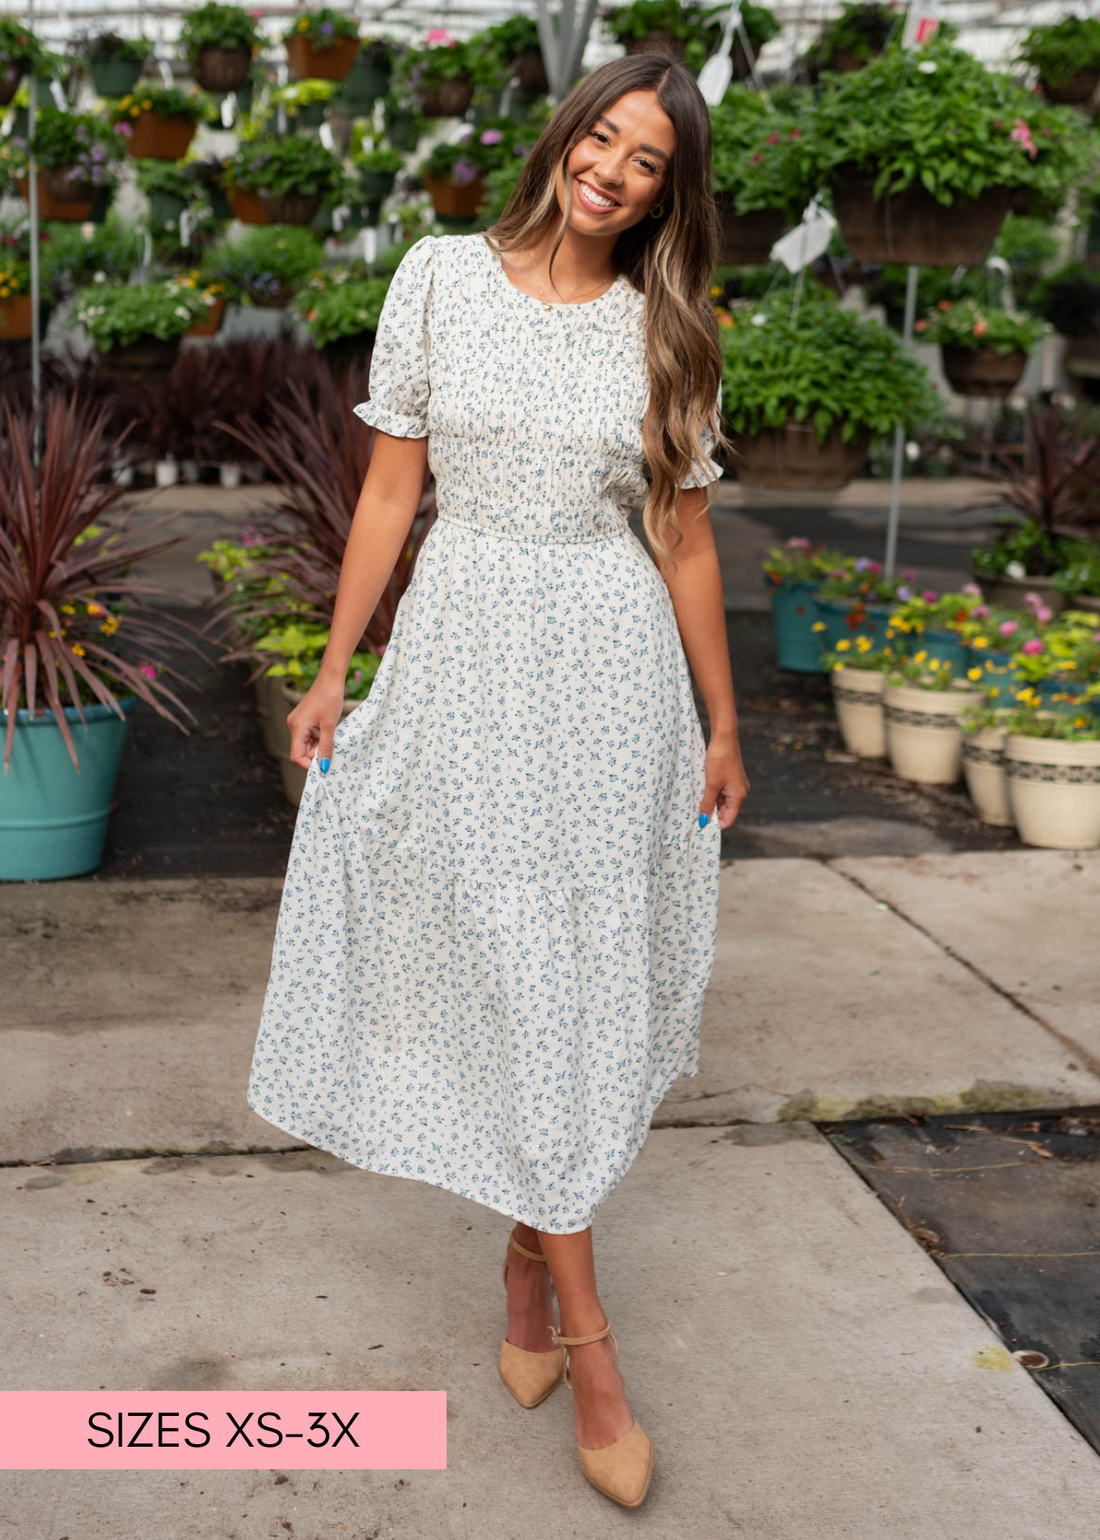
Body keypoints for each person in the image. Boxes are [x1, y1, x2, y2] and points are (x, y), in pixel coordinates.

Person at [246, 50, 749, 1510]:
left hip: (609, 679)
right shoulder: (438, 278)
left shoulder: (668, 329)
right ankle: (587, 1342)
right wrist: (335, 670)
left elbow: (685, 540)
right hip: (467, 660)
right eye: (606, 138)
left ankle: (539, 1276)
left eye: (650, 163)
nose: (615, 173)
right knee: (517, 974)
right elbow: (390, 489)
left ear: (666, 194)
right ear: (564, 135)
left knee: (575, 986)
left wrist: (722, 724)